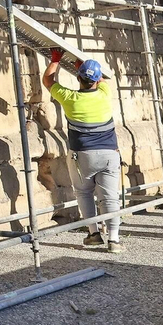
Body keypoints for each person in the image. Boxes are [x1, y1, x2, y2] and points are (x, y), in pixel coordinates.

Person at [45, 51, 123, 254]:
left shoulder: (69, 98)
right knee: (110, 197)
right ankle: (114, 239)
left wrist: (56, 59)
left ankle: (94, 234)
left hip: (82, 155)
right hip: (109, 154)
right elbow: (102, 80)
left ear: (78, 78)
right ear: (96, 80)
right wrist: (80, 64)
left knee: (84, 193)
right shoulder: (105, 93)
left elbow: (48, 80)